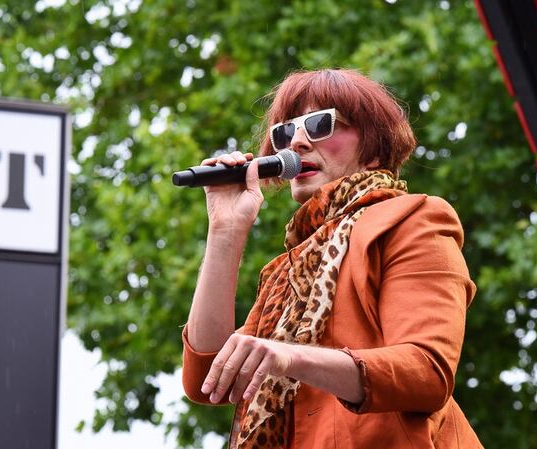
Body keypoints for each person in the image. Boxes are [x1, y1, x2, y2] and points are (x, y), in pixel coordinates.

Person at [181, 68, 483, 449]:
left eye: (321, 123)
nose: (298, 142)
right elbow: (208, 379)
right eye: (284, 133)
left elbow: (426, 371)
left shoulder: (414, 219)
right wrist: (224, 232)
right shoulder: (287, 270)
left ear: (374, 150)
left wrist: (292, 357)